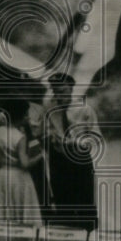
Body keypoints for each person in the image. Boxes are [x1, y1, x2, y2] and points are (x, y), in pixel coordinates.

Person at [43, 73, 100, 231]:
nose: (58, 95)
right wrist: (51, 138)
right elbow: (47, 129)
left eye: (62, 91)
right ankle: (67, 240)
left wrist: (77, 142)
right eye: (55, 91)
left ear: (71, 88)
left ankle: (89, 238)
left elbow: (96, 136)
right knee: (62, 202)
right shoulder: (50, 107)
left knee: (84, 202)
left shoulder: (84, 109)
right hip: (59, 159)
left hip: (79, 157)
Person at [0, 99, 43, 226]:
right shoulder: (20, 137)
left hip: (2, 176)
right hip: (18, 177)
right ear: (21, 116)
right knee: (22, 210)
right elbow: (24, 163)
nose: (28, 117)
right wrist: (41, 155)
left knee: (3, 210)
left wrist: (2, 162)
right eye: (26, 114)